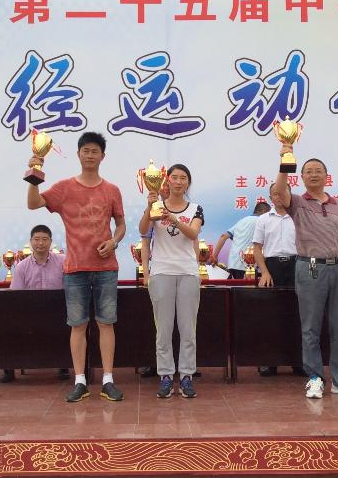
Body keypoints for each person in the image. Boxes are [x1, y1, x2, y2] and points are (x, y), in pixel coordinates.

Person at [27, 131, 126, 403]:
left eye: (95, 151)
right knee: (78, 325)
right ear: (79, 154)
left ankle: (108, 380)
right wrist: (35, 173)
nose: (90, 155)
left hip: (106, 268)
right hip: (74, 269)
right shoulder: (64, 188)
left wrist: (114, 242)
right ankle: (80, 380)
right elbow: (33, 203)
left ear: (103, 156)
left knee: (106, 323)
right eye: (86, 150)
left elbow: (121, 225)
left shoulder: (112, 190)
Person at [275, 151, 338, 399]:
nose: (314, 175)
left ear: (326, 176)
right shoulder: (297, 203)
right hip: (310, 267)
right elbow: (280, 191)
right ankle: (314, 378)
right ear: (301, 177)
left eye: (318, 171)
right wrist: (285, 162)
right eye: (309, 171)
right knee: (311, 328)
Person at [139, 164, 204, 399]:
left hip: (187, 272)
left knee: (187, 329)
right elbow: (143, 230)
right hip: (161, 272)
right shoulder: (157, 207)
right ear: (166, 181)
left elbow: (193, 233)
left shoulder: (196, 209)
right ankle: (166, 376)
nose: (178, 181)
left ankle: (186, 376)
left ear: (188, 183)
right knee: (163, 330)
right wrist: (150, 208)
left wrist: (174, 219)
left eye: (183, 178)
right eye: (174, 177)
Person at [0, 224, 69, 383]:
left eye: (45, 239)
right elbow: (16, 297)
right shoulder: (21, 266)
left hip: (57, 312)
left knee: (72, 323)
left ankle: (64, 364)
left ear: (50, 241)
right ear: (31, 241)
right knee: (7, 326)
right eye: (37, 239)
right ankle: (9, 368)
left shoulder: (63, 262)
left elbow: (70, 289)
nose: (40, 243)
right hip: (29, 313)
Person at [251, 182, 302, 377]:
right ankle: (269, 361)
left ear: (290, 195)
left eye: (282, 193)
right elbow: (257, 248)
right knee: (270, 315)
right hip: (272, 268)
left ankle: (298, 362)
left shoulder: (299, 216)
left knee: (297, 315)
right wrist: (264, 272)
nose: (279, 197)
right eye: (275, 194)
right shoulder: (263, 219)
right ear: (270, 197)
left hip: (297, 265)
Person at [210, 202, 271, 278]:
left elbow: (223, 236)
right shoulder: (262, 222)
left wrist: (214, 257)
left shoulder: (242, 221)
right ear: (264, 212)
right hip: (248, 267)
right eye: (269, 214)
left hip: (232, 265)